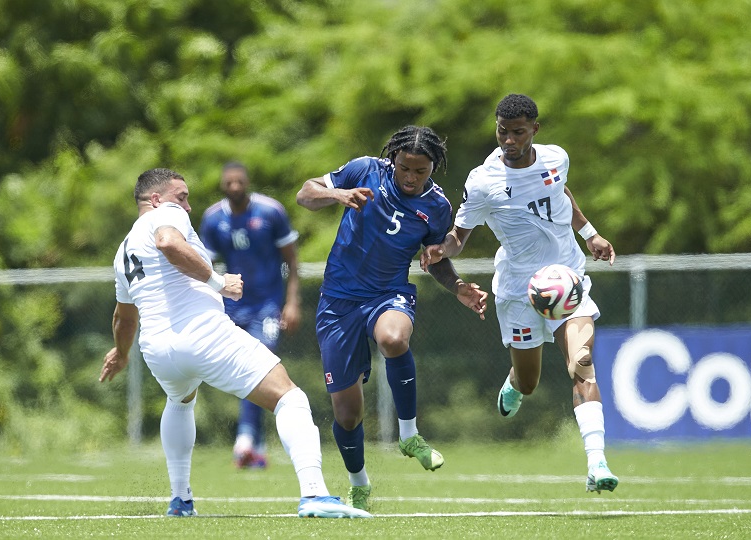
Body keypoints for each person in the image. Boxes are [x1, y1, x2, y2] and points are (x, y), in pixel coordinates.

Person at [100, 167, 371, 519]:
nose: (188, 206)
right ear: (156, 199)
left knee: (179, 402)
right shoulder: (166, 216)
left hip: (157, 349)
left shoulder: (123, 251)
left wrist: (121, 353)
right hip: (201, 333)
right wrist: (217, 282)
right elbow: (168, 242)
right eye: (181, 197)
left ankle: (180, 500)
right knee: (291, 399)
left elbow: (124, 317)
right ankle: (315, 494)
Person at [420, 94, 620, 494]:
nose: (508, 140)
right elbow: (460, 236)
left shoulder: (556, 158)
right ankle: (514, 383)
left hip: (566, 280)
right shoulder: (482, 181)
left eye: (518, 133)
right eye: (502, 132)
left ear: (535, 131)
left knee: (582, 364)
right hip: (518, 291)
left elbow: (563, 194)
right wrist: (442, 250)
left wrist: (590, 234)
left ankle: (597, 463)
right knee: (529, 382)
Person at [296, 125, 488, 511]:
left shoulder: (436, 206)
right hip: (338, 301)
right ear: (393, 161)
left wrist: (458, 287)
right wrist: (337, 194)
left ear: (434, 167)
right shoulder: (364, 170)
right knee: (348, 416)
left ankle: (409, 435)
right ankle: (359, 483)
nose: (412, 178)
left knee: (394, 338)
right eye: (405, 168)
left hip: (388, 293)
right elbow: (305, 194)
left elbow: (436, 259)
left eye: (421, 171)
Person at [200, 161, 301, 470]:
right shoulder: (213, 219)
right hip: (231, 307)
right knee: (242, 370)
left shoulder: (270, 212)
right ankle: (254, 447)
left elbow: (292, 261)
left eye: (239, 181)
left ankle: (244, 439)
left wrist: (292, 302)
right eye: (228, 183)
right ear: (222, 186)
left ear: (247, 182)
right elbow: (202, 267)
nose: (234, 187)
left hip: (267, 305)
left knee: (261, 364)